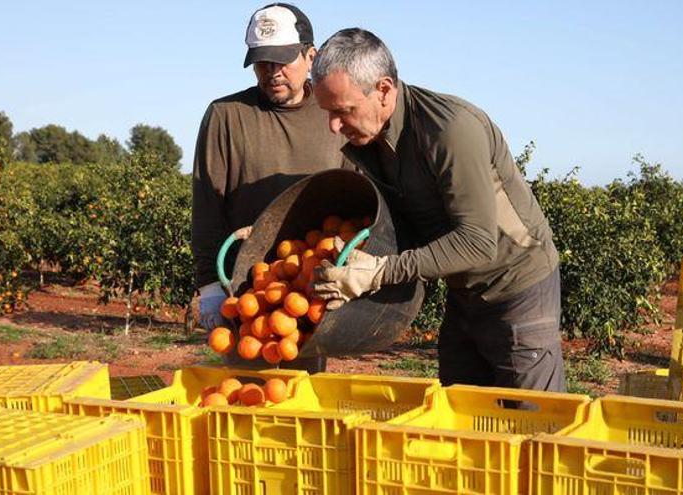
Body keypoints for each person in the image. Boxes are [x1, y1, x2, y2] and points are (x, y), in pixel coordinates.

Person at [310, 28, 566, 392]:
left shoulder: (449, 131)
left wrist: (381, 271)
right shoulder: (371, 141)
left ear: (383, 90)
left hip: (517, 287)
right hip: (463, 291)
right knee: (462, 408)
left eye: (343, 110)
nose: (334, 125)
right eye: (328, 113)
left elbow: (478, 242)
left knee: (532, 420)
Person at [191, 4, 346, 372]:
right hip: (245, 295)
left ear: (312, 56)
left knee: (301, 406)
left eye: (283, 61)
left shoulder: (334, 116)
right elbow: (208, 206)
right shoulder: (226, 116)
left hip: (309, 296)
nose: (273, 72)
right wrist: (211, 287)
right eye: (262, 63)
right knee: (246, 401)